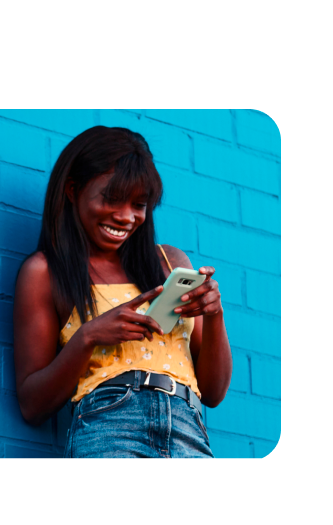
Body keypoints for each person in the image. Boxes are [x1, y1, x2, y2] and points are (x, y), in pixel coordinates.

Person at [13, 126, 232, 459]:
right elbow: (32, 404)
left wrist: (213, 315)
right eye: (111, 198)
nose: (126, 217)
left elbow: (213, 392)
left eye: (139, 204)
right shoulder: (45, 272)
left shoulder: (169, 262)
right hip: (109, 428)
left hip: (188, 429)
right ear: (72, 190)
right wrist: (88, 337)